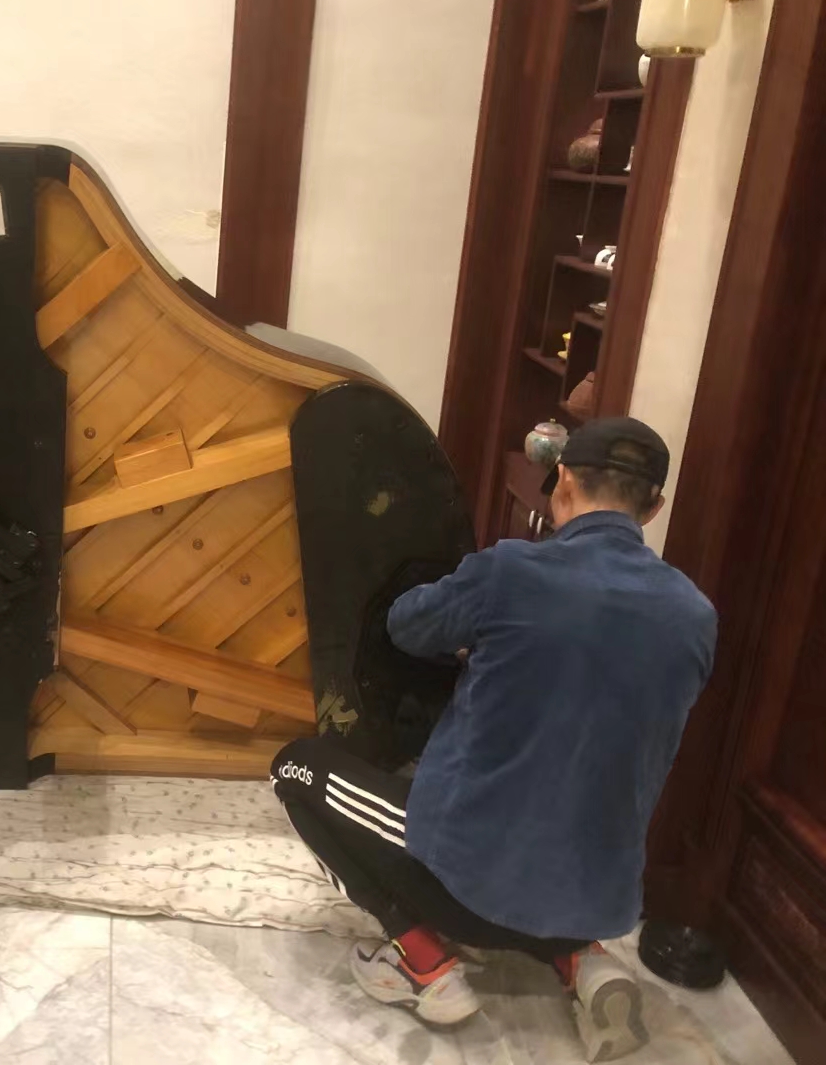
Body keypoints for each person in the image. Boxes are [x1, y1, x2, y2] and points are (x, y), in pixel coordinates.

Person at [271, 417, 717, 1062]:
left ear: (563, 482)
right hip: (594, 898)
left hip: (469, 886)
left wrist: (479, 635)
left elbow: (405, 625)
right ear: (654, 507)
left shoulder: (513, 571)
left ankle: (420, 961)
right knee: (556, 810)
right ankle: (582, 958)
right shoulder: (696, 616)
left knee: (295, 768)